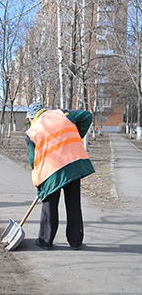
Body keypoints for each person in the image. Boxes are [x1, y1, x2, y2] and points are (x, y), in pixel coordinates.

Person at [25, 102, 95, 250]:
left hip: (51, 171)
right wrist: (75, 134)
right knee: (73, 204)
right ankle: (76, 242)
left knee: (49, 206)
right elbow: (87, 116)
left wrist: (39, 183)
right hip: (73, 164)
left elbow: (33, 161)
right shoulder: (62, 114)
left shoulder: (32, 131)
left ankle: (45, 241)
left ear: (32, 117)